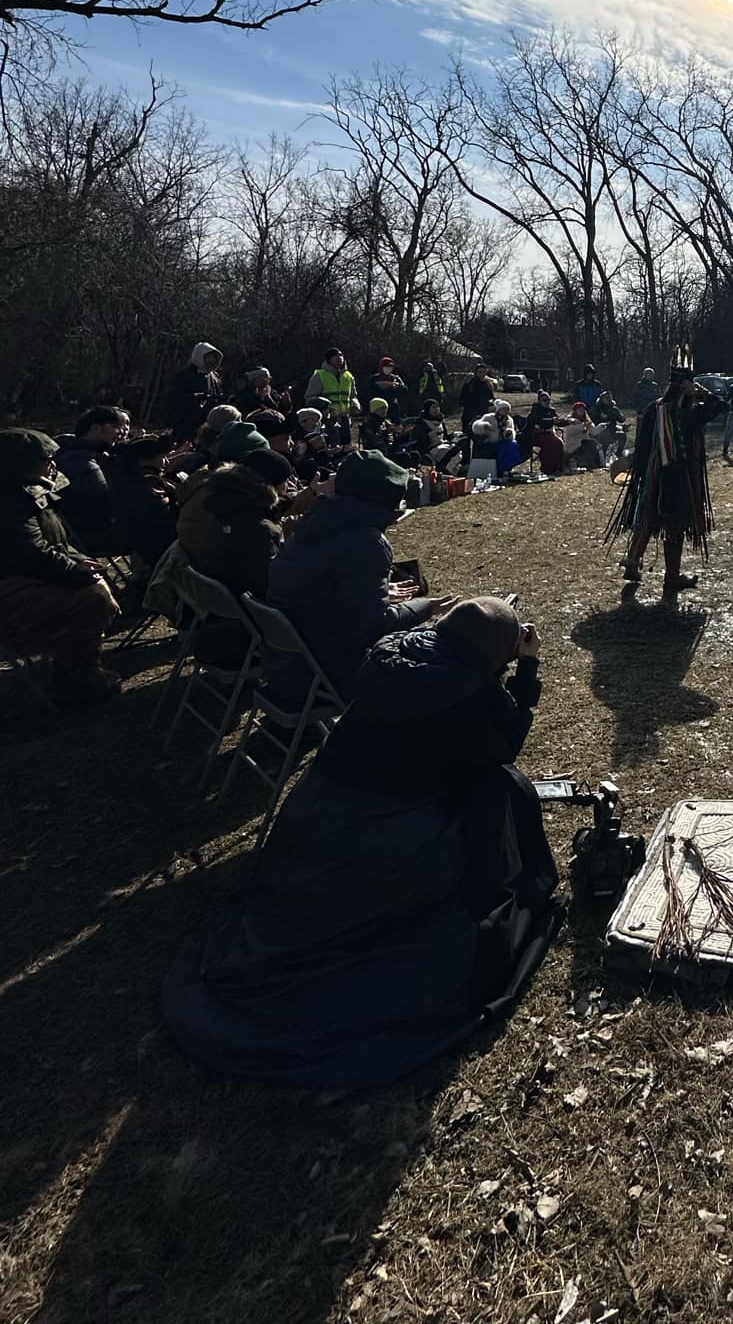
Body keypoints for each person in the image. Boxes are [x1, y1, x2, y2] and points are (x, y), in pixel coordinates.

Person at [161, 596, 560, 1089]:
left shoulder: (388, 657)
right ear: (493, 658)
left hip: (316, 813)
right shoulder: (466, 697)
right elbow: (504, 744)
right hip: (380, 842)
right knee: (501, 791)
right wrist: (527, 669)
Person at [268, 449, 444, 702]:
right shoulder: (367, 543)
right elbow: (374, 626)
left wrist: (376, 594)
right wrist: (424, 606)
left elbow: (326, 589)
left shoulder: (313, 522)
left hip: (288, 666)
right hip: (331, 674)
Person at [0, 428, 121, 704]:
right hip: (10, 585)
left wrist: (77, 562)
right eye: (46, 459)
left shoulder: (29, 489)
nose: (53, 464)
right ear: (21, 463)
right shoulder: (8, 504)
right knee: (92, 600)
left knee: (95, 587)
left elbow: (55, 541)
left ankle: (76, 663)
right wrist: (81, 574)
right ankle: (77, 678)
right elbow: (32, 553)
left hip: (28, 573)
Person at [607, 355, 721, 599]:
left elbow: (643, 445)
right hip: (678, 480)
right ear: (686, 386)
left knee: (648, 518)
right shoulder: (689, 411)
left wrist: (639, 473)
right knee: (673, 527)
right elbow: (719, 405)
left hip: (655, 477)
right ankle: (670, 577)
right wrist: (702, 393)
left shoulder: (655, 408)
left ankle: (635, 561)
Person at [175, 444, 295, 600]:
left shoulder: (219, 500)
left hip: (212, 591)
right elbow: (268, 585)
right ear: (274, 485)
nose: (289, 486)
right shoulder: (262, 530)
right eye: (286, 481)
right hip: (244, 602)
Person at [53, 405, 131, 548]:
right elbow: (106, 500)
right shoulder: (80, 461)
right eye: (115, 426)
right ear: (95, 428)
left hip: (92, 528)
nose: (122, 432)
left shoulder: (83, 453)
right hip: (94, 534)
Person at [108, 432, 178, 568]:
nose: (167, 461)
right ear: (142, 460)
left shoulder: (129, 481)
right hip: (160, 546)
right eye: (162, 457)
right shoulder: (146, 486)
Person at [167, 343, 223, 443]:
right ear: (200, 356)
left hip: (208, 425)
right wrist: (196, 397)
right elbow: (174, 398)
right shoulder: (185, 375)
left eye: (214, 357)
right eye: (209, 357)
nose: (212, 360)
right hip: (186, 424)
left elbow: (218, 396)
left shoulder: (215, 377)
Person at [306, 349, 359, 443]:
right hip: (327, 420)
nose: (339, 358)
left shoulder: (349, 376)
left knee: (346, 446)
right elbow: (310, 398)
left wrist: (355, 405)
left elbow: (353, 396)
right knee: (332, 445)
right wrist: (326, 409)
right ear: (328, 359)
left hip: (345, 418)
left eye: (341, 355)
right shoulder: (319, 375)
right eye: (335, 356)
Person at [459, 363, 497, 437]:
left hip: (483, 412)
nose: (482, 374)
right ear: (476, 372)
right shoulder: (469, 384)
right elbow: (462, 398)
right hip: (470, 413)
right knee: (469, 433)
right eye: (480, 372)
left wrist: (491, 404)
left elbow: (490, 397)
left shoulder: (488, 385)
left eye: (484, 372)